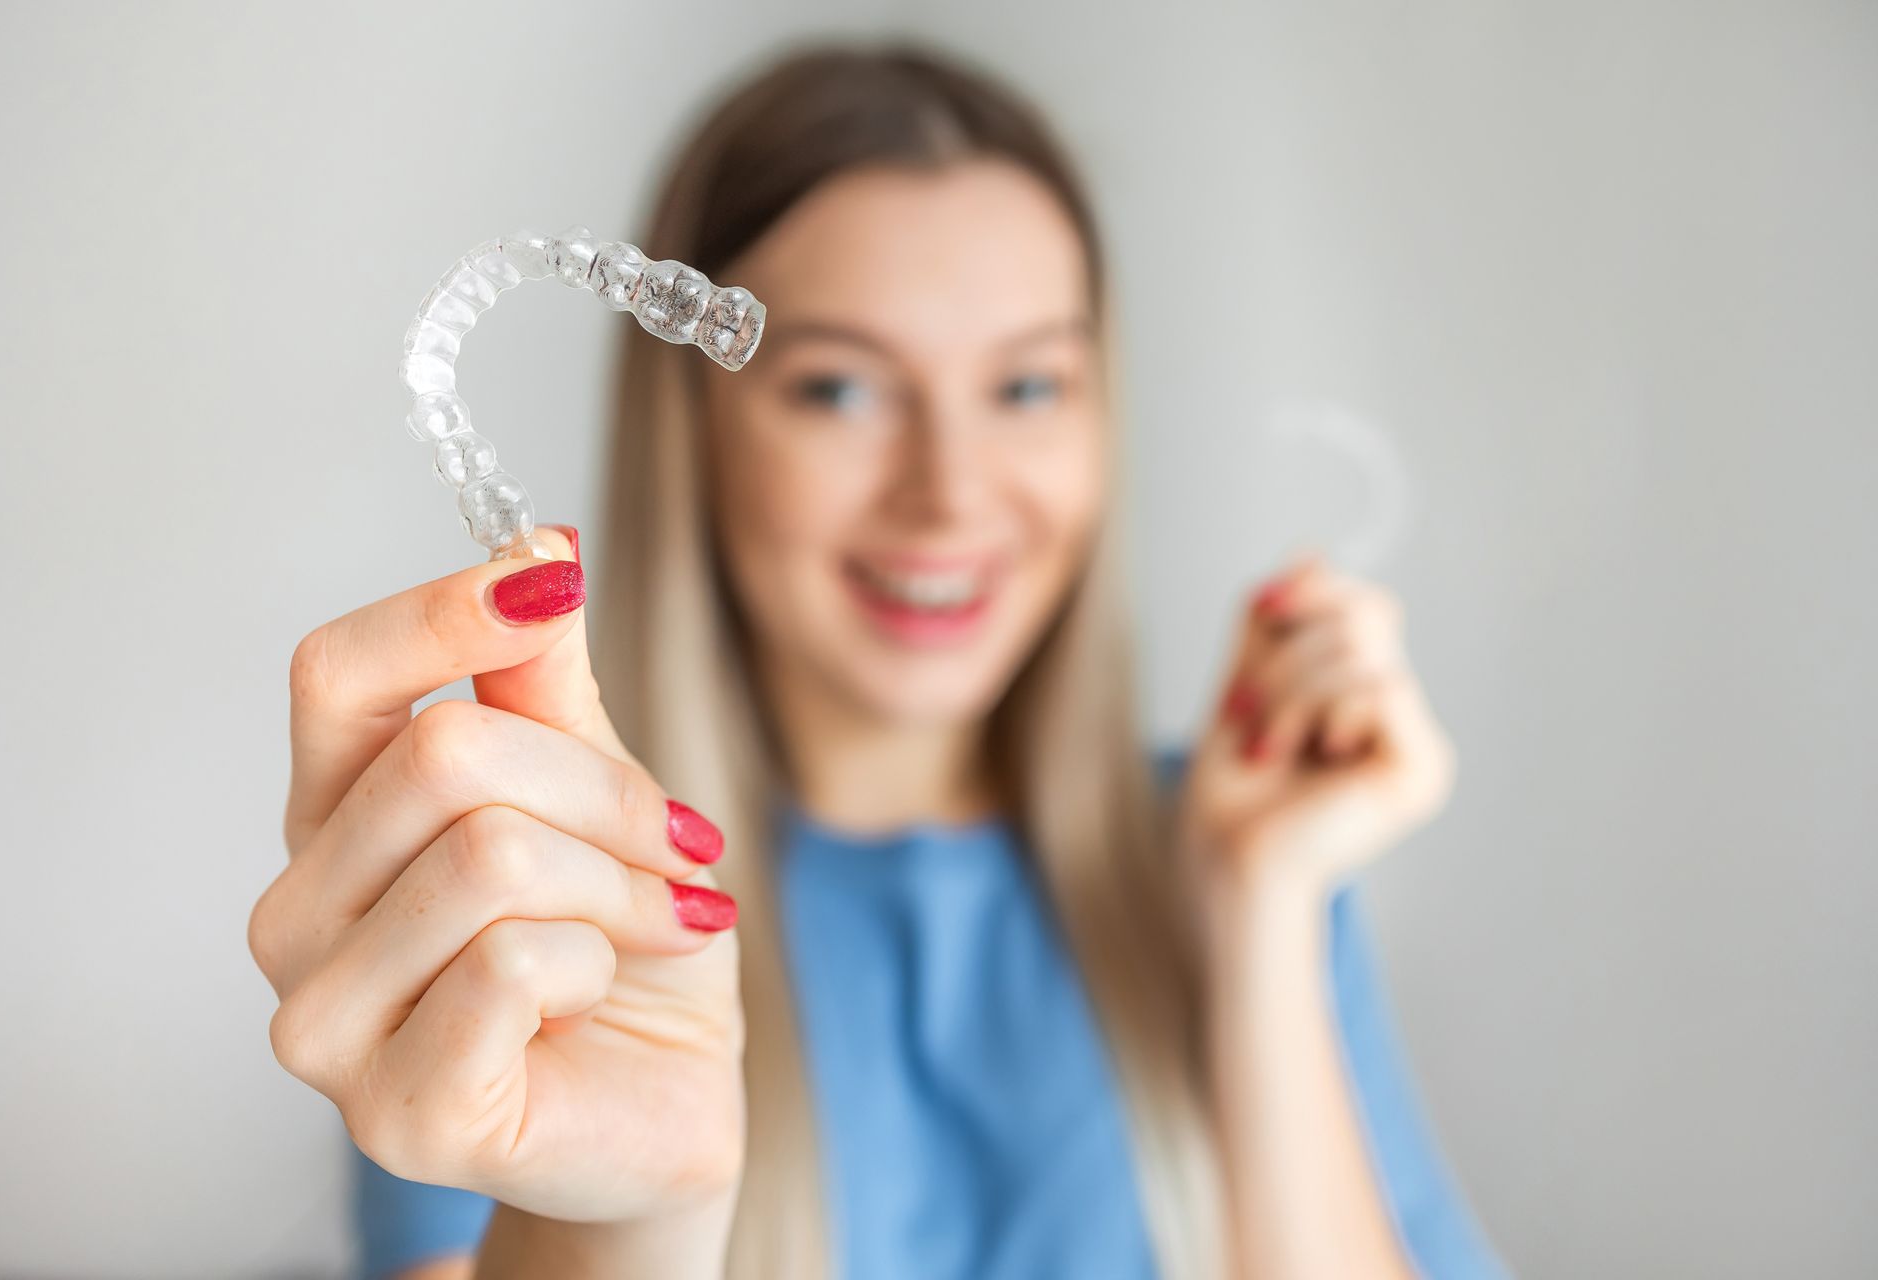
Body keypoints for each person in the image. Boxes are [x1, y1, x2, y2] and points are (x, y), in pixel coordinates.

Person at [249, 44, 1507, 1280]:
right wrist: (614, 1227)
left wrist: (1259, 910)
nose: (950, 496)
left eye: (1026, 385)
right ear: (692, 427)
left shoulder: (1247, 872)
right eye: (842, 391)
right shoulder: (540, 919)